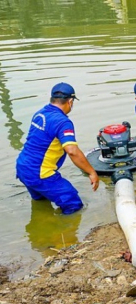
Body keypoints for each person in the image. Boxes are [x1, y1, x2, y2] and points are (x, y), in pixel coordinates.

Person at [16, 82, 99, 215]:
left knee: (41, 203)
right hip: (40, 173)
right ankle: (64, 233)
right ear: (70, 101)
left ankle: (43, 230)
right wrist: (92, 172)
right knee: (73, 204)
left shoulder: (40, 113)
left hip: (22, 167)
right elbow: (72, 151)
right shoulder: (63, 122)